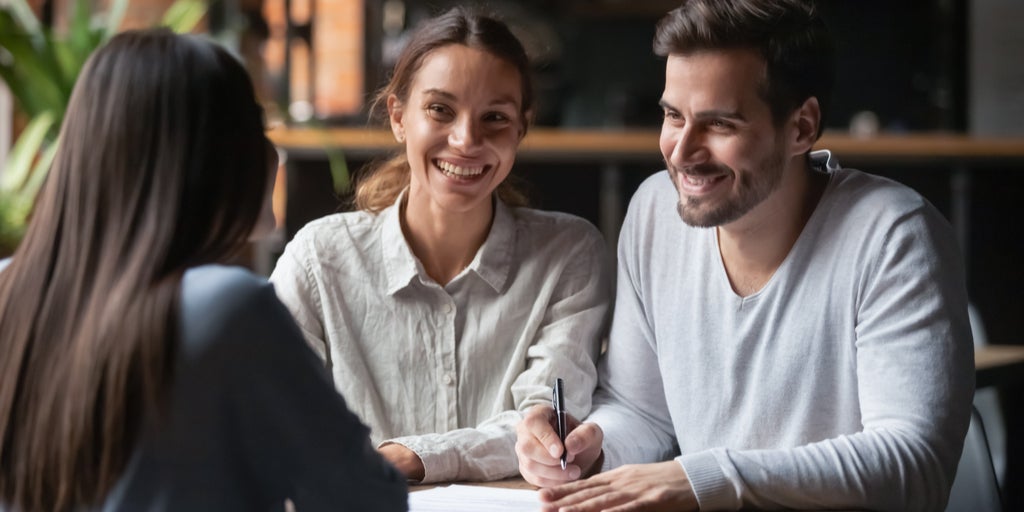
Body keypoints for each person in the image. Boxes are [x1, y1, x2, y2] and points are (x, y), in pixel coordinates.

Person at [515, 1, 974, 510]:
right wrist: (591, 448)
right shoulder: (654, 212)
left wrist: (701, 478)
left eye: (720, 124)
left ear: (802, 127)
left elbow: (914, 464)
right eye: (672, 116)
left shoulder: (894, 235)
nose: (683, 152)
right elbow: (641, 411)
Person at [0, 29, 407, 512]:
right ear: (206, 158)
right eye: (256, 129)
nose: (271, 154)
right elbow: (364, 498)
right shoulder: (226, 307)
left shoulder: (10, 289)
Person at [270, 7, 612, 484]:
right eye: (440, 109)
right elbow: (276, 423)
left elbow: (543, 430)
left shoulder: (569, 254)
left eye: (495, 117)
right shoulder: (318, 261)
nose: (466, 139)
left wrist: (411, 458)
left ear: (521, 129)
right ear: (398, 117)